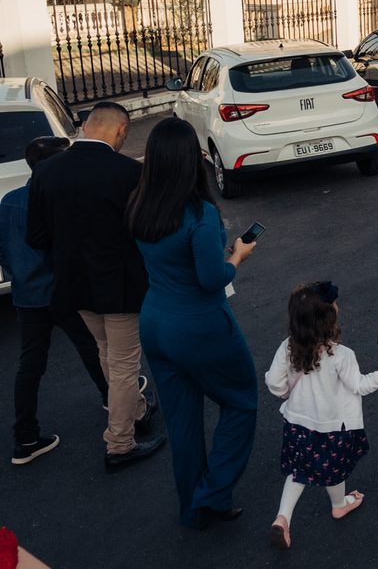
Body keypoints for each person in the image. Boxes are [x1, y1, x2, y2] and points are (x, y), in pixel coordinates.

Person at [127, 117, 257, 528]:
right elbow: (211, 279)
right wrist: (237, 256)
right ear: (189, 160)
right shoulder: (200, 214)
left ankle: (193, 508)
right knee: (241, 402)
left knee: (182, 419)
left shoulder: (139, 204)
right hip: (199, 325)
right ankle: (214, 493)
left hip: (154, 321)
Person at [25, 101, 163, 471]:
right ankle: (120, 443)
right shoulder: (130, 172)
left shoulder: (45, 171)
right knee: (121, 362)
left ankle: (135, 410)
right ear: (121, 131)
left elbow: (36, 237)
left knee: (106, 351)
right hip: (120, 285)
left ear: (86, 125)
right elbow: (147, 231)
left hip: (72, 282)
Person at [266, 281, 378, 550]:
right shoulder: (341, 355)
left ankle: (283, 517)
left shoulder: (287, 347)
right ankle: (339, 505)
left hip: (297, 424)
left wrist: (285, 394)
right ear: (328, 317)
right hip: (333, 428)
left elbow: (273, 383)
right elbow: (360, 385)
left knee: (298, 470)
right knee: (334, 470)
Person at [4, 137, 110, 465]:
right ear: (52, 164)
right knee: (92, 347)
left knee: (30, 364)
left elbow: (3, 250)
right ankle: (115, 402)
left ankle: (25, 438)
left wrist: (20, 274)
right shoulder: (56, 198)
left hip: (26, 295)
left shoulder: (8, 200)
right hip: (62, 291)